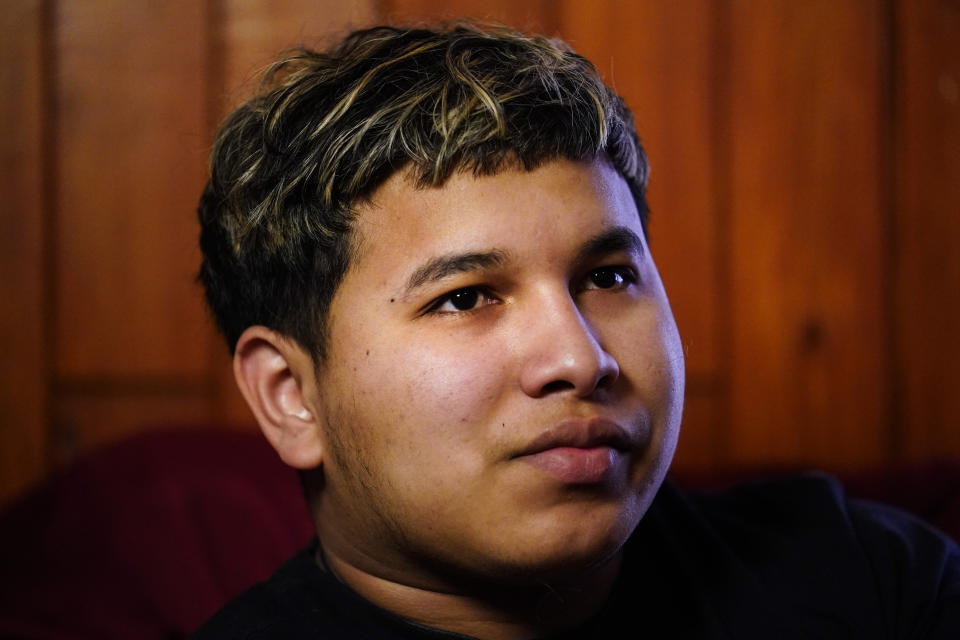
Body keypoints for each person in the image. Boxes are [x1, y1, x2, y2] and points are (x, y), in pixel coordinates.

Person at [192, 22, 959, 639]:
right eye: (465, 298)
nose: (579, 358)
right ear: (292, 395)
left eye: (607, 277)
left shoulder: (875, 580)